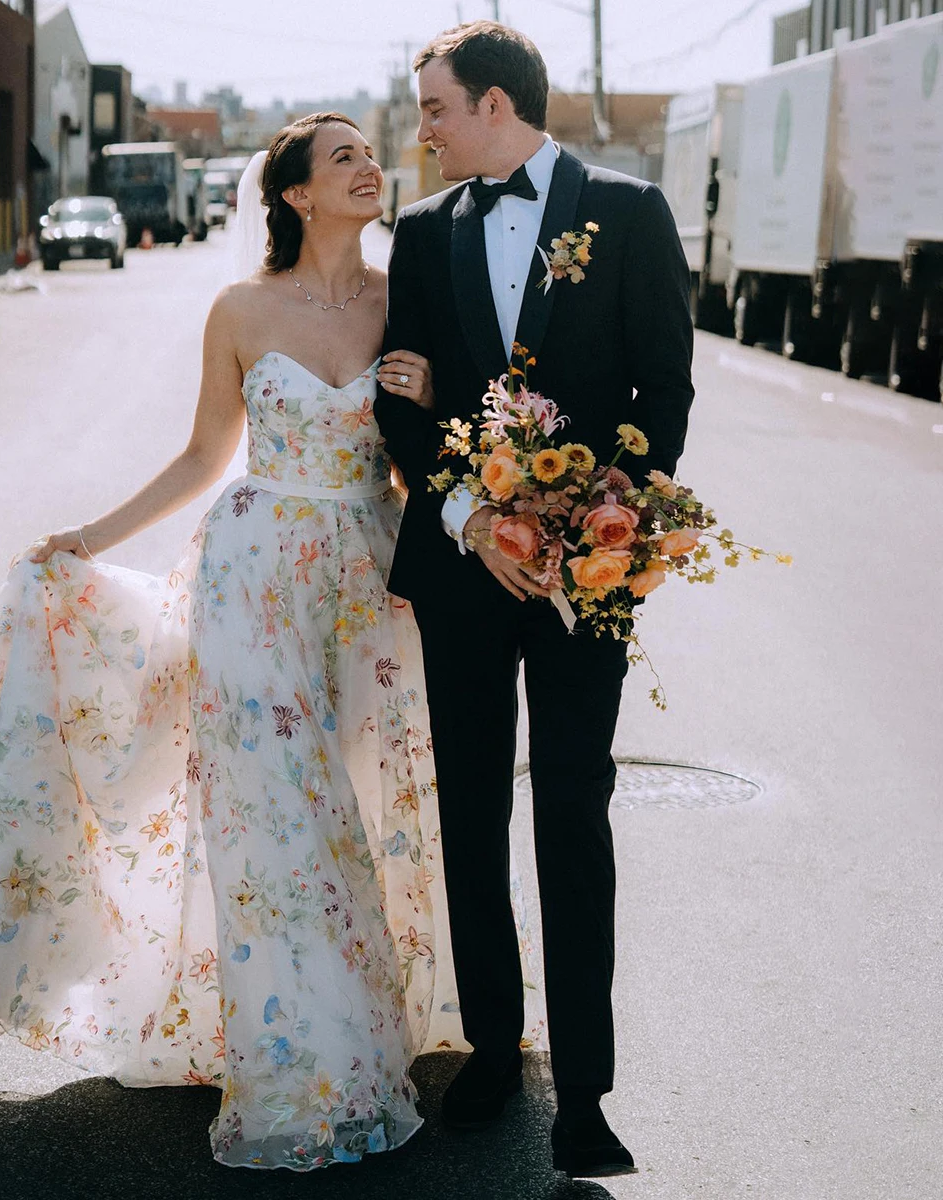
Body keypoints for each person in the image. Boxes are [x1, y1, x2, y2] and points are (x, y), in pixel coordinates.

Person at [0, 112, 502, 1170]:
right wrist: (87, 538)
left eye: (369, 155)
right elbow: (204, 453)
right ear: (297, 193)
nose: (368, 167)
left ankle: (343, 1013)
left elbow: (421, 468)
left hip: (370, 579)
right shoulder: (240, 308)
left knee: (358, 803)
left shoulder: (412, 301)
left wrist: (441, 414)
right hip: (253, 578)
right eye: (343, 157)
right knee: (282, 815)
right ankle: (309, 1061)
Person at [374, 22, 695, 1180]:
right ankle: (496, 1051)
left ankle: (588, 1094)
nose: (422, 128)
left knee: (572, 811)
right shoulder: (419, 232)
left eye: (435, 107)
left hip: (584, 582)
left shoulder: (633, 211)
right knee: (470, 809)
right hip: (464, 577)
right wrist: (471, 520)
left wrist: (581, 528)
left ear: (496, 104)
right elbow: (402, 398)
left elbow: (666, 385)